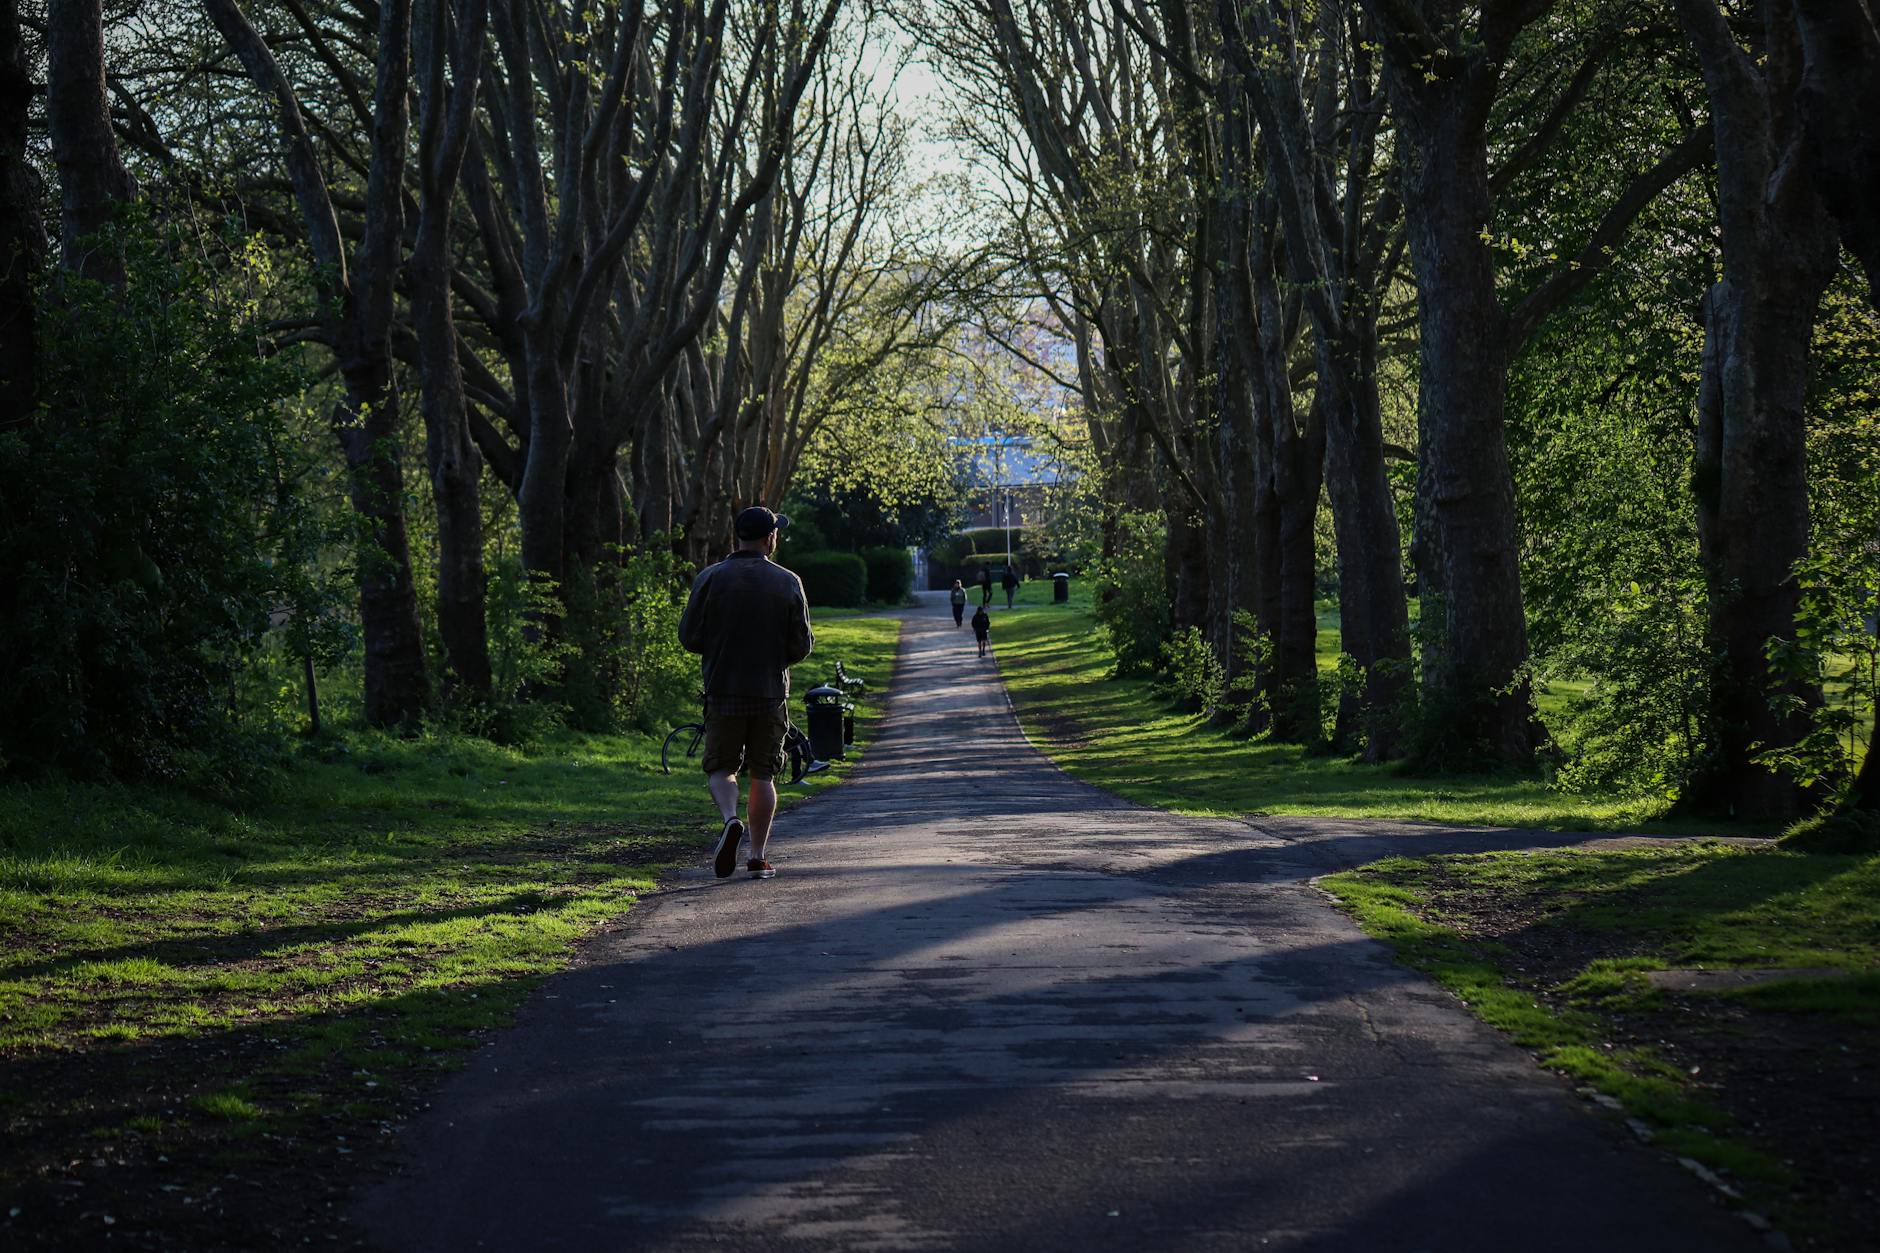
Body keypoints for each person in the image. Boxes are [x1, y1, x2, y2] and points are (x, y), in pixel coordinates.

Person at [678, 506, 813, 881]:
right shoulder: (788, 581)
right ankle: (757, 856)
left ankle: (729, 819)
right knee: (763, 774)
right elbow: (801, 645)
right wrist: (774, 659)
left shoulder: (709, 579)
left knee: (721, 768)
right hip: (769, 694)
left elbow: (689, 636)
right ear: (769, 538)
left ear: (737, 536)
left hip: (722, 690)